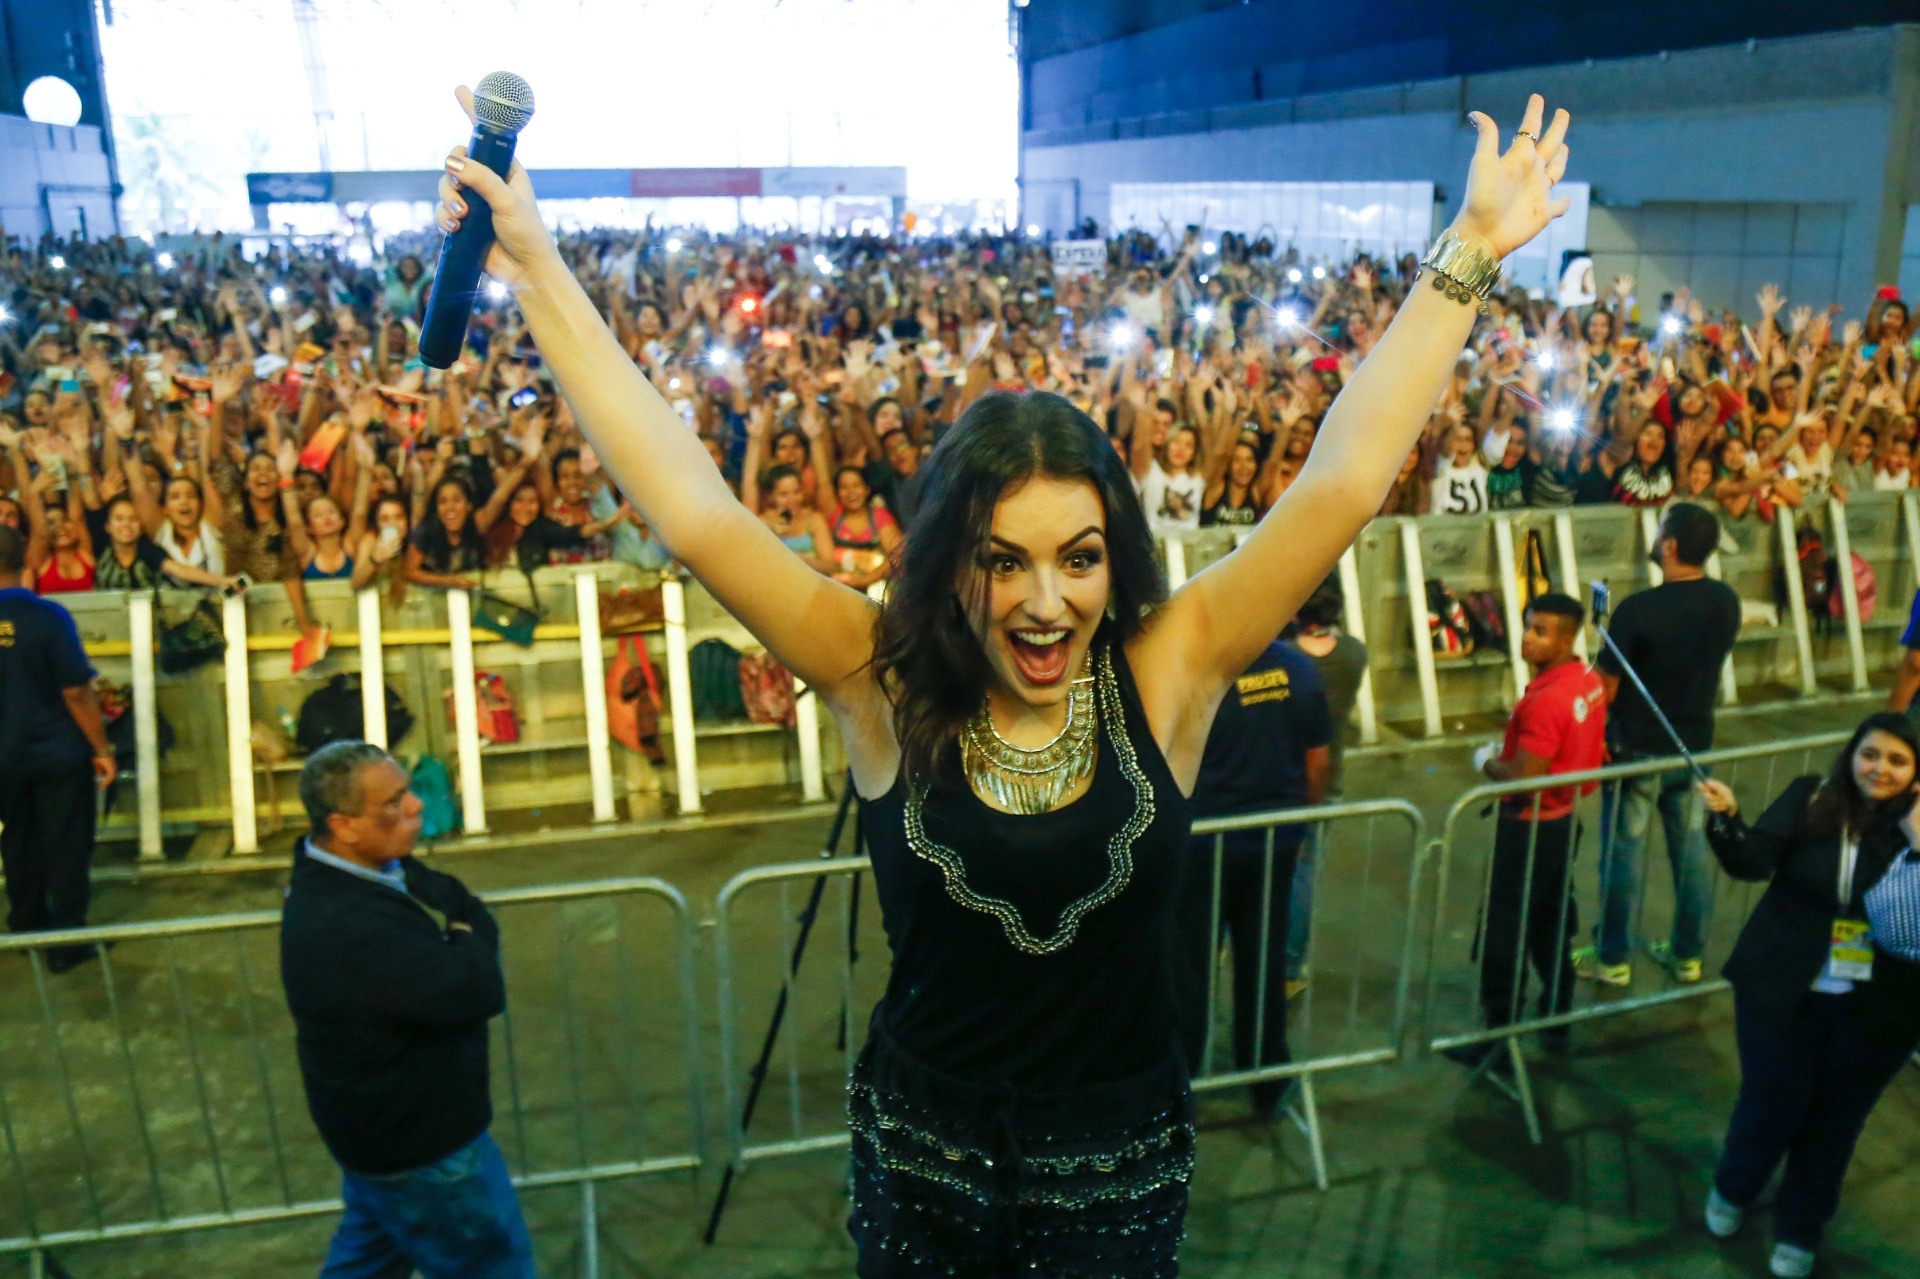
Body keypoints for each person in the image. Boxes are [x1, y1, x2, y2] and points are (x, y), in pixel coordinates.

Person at [433, 85, 1569, 1275]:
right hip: (925, 1160)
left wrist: (1471, 253)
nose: (1046, 601)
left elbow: (1340, 484)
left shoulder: (1171, 670)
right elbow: (695, 509)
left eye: (1079, 560)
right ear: (950, 565)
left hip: (1117, 1162)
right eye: (1002, 560)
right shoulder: (881, 678)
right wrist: (539, 269)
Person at [281, 741, 533, 1278]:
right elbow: (475, 988)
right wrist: (467, 934)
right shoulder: (348, 925)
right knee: (489, 1266)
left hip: (379, 1142)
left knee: (368, 1257)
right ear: (343, 825)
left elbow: (459, 901)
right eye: (394, 802)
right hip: (423, 1147)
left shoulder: (365, 868)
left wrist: (464, 926)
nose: (416, 806)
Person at [1695, 714, 1920, 1279]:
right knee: (1771, 1103)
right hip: (1782, 987)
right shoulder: (1811, 796)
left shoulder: (1918, 826)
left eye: (1898, 761)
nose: (1880, 770)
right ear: (1851, 753)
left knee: (1836, 1122)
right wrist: (1727, 822)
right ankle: (1733, 1189)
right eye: (1871, 754)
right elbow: (1753, 861)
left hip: (1880, 1007)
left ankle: (1800, 1229)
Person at [1579, 502, 1742, 986]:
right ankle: (1688, 954)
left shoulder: (1637, 610)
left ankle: (1612, 958)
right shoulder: (1725, 601)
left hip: (1638, 749)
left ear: (1669, 545)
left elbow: (1604, 686)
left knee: (1624, 853)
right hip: (1693, 745)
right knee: (1690, 850)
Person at [1176, 635, 1330, 1116]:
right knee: (1262, 960)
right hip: (1272, 839)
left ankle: (1182, 1083)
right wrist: (1299, 820)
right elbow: (1317, 762)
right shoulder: (1299, 670)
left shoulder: (1201, 670)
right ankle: (1265, 1079)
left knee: (1191, 966)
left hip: (1205, 842)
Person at [1449, 592, 1605, 1066]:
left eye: (1540, 631)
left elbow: (1526, 776)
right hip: (1562, 824)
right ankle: (1555, 1020)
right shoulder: (1586, 679)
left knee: (1505, 932)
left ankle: (1498, 1035)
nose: (1527, 639)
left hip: (1530, 829)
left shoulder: (1548, 700)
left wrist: (1488, 762)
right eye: (1528, 627)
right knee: (1551, 925)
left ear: (1567, 637)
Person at [0, 525, 117, 972]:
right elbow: (76, 692)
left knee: (18, 839)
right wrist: (102, 748)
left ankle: (26, 928)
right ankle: (67, 943)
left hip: (4, 757)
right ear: (25, 561)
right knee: (65, 846)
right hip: (56, 755)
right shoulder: (49, 617)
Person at [1284, 576, 1370, 994]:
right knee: (1302, 874)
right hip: (1326, 777)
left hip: (1277, 776)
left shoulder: (1284, 658)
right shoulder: (1354, 653)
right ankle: (1289, 969)